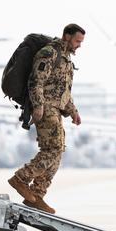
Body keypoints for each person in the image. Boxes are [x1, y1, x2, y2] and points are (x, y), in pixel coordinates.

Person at [8, 24, 84, 214]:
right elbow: (36, 80)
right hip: (46, 108)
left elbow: (63, 90)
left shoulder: (66, 60)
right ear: (66, 36)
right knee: (53, 149)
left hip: (56, 109)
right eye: (77, 41)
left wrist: (73, 111)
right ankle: (21, 178)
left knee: (58, 152)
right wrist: (38, 105)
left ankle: (37, 194)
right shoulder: (49, 53)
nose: (79, 45)